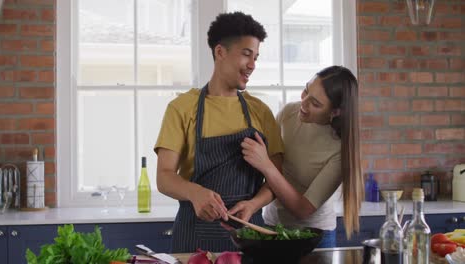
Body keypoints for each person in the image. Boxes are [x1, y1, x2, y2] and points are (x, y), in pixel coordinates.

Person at [154, 12, 284, 253]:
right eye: (246, 54)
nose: (253, 65)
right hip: (193, 235)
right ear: (220, 52)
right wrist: (195, 193)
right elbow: (164, 176)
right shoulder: (182, 108)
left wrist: (254, 204)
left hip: (250, 234)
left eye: (256, 57)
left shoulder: (260, 112)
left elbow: (276, 177)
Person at [234, 65, 363, 247]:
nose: (303, 102)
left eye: (316, 103)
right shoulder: (289, 114)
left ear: (335, 112)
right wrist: (253, 205)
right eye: (306, 90)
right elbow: (275, 176)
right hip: (271, 227)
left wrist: (265, 165)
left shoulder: (340, 150)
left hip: (314, 236)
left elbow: (303, 209)